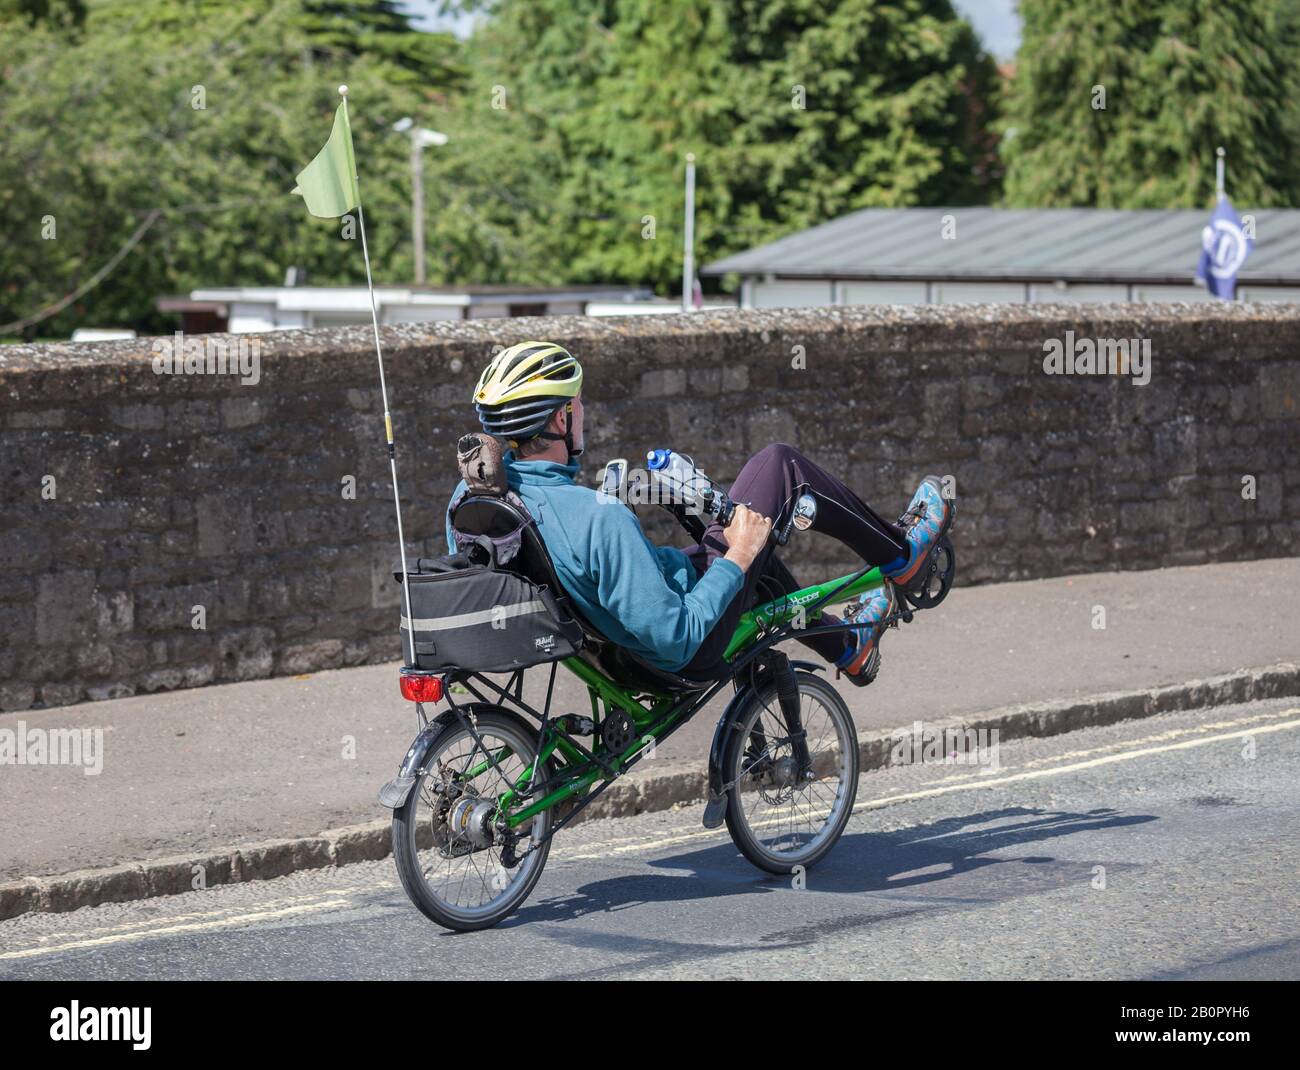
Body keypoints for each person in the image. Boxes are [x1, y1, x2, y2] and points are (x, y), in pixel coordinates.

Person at [445, 341, 953, 684]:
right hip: (679, 655)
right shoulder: (599, 518)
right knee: (779, 468)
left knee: (747, 543)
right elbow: (676, 639)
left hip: (614, 649)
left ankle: (848, 645)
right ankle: (903, 555)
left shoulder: (472, 503)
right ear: (560, 418)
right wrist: (737, 556)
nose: (583, 413)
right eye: (577, 406)